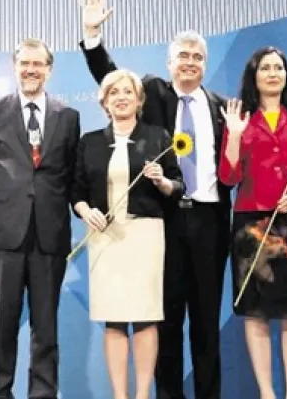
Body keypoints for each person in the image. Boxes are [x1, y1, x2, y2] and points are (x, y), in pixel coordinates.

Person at [78, 0, 230, 399]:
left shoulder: (220, 106)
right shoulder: (154, 94)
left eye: (198, 56)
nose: (190, 62)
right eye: (183, 55)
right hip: (163, 221)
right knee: (163, 317)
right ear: (169, 63)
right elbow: (112, 80)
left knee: (206, 319)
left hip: (210, 220)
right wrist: (92, 37)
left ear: (205, 64)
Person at [0, 38, 81, 399]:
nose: (31, 70)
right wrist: (1, 209)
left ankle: (43, 394)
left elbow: (69, 174)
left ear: (49, 69)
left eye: (38, 64)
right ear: (14, 66)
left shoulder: (68, 116)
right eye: (24, 63)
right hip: (4, 235)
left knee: (45, 329)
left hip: (49, 235)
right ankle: (0, 393)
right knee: (1, 328)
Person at [72, 69, 185, 399]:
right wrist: (84, 210)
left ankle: (142, 395)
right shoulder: (89, 142)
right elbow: (76, 190)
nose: (121, 97)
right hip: (105, 238)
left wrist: (162, 181)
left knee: (146, 317)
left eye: (128, 91)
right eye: (113, 92)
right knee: (115, 318)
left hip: (145, 235)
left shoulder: (158, 136)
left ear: (139, 100)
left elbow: (178, 185)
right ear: (104, 102)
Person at [218, 47, 287, 399]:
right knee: (256, 311)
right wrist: (233, 136)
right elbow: (229, 177)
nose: (273, 73)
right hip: (251, 224)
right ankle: (267, 393)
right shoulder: (240, 118)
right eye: (265, 68)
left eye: (279, 67)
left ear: (286, 75)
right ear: (254, 76)